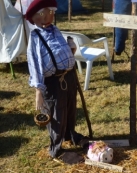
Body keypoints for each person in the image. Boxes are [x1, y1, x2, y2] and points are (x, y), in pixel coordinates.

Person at [25, 0, 86, 158]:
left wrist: (70, 50)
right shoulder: (36, 37)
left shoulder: (55, 30)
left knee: (70, 109)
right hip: (53, 82)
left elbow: (60, 51)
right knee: (57, 114)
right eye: (49, 11)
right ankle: (56, 149)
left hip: (68, 77)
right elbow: (35, 63)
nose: (52, 14)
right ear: (40, 15)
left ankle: (69, 135)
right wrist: (39, 90)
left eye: (52, 11)